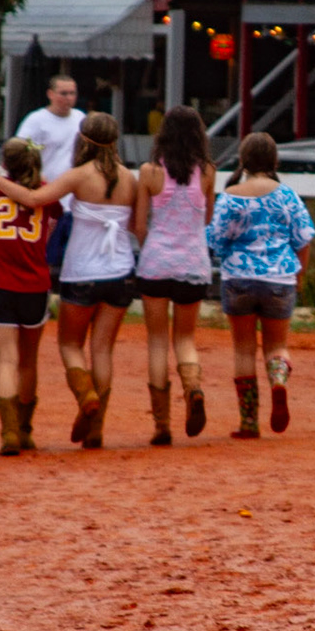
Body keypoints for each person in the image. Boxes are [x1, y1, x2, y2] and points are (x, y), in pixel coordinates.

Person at [0, 111, 136, 449]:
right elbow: (139, 229)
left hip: (83, 271)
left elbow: (35, 199)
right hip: (121, 270)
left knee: (70, 345)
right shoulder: (130, 179)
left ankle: (85, 396)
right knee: (103, 350)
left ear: (83, 140)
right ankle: (95, 428)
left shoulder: (78, 175)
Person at [206, 132, 315, 440]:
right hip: (279, 278)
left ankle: (248, 421)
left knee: (243, 349)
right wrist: (299, 274)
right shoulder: (287, 196)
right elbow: (304, 238)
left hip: (238, 278)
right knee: (277, 346)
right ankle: (278, 381)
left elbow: (215, 240)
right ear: (274, 160)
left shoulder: (230, 196)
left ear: (244, 160)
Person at [132, 106, 217, 446]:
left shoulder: (150, 171)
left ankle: (161, 425)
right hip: (193, 264)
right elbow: (206, 219)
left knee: (156, 341)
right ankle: (193, 388)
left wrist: (150, 246)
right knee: (185, 339)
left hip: (156, 263)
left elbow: (140, 225)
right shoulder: (208, 172)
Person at [0, 138, 59, 456]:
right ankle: (25, 430)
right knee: (29, 361)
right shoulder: (47, 195)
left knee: (6, 360)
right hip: (34, 282)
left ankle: (9, 432)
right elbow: (46, 234)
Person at [16, 74, 85, 267]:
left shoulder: (81, 118)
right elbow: (19, 152)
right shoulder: (36, 120)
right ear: (50, 94)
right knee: (45, 259)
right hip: (46, 200)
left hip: (73, 202)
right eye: (63, 93)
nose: (68, 98)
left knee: (71, 261)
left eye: (72, 93)